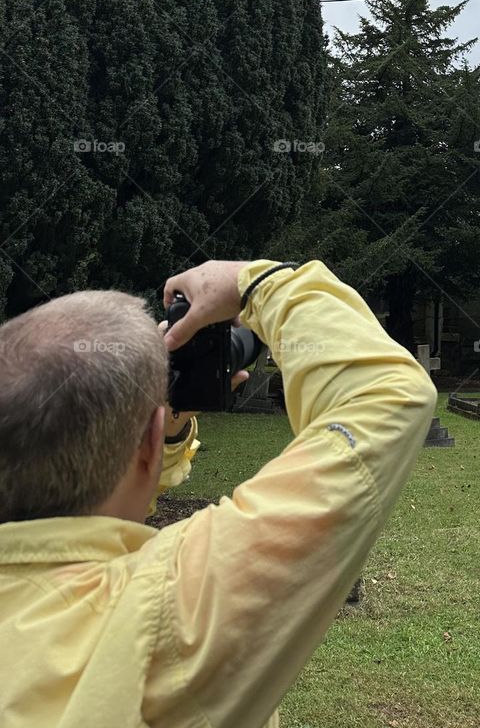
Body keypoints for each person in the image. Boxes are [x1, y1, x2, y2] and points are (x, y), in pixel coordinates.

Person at [0, 258, 437, 727]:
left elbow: (93, 523)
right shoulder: (161, 619)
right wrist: (255, 284)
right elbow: (388, 395)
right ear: (146, 445)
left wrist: (159, 439)